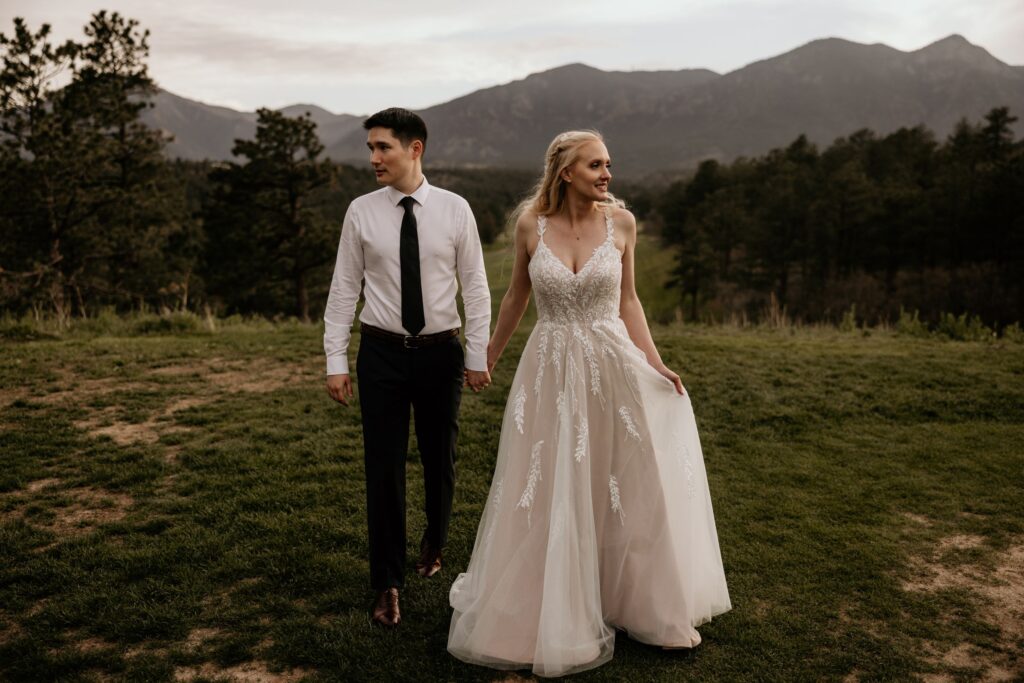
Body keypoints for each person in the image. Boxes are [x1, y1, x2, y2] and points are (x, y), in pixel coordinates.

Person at [447, 130, 731, 676]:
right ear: (566, 172)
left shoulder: (621, 224)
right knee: (549, 482)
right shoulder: (532, 225)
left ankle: (648, 608)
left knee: (628, 481)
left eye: (609, 164)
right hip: (549, 368)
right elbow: (516, 297)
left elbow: (629, 300)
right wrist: (487, 357)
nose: (607, 174)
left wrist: (655, 361)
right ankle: (550, 612)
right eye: (596, 165)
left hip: (612, 366)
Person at [324, 108, 492, 627]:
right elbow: (344, 289)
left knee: (440, 458)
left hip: (442, 353)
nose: (373, 157)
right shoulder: (361, 212)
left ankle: (435, 541)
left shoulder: (455, 209)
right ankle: (388, 583)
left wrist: (476, 354)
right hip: (380, 355)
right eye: (371, 148)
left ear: (415, 148)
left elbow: (477, 287)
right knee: (384, 467)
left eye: (383, 148)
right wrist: (335, 359)